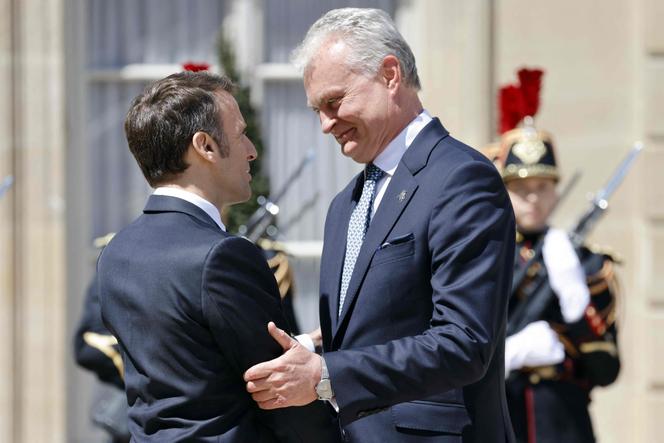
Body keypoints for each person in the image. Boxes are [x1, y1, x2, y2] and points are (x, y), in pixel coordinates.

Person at [244, 8, 516, 442]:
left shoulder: (461, 177)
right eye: (317, 110)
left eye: (334, 102)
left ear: (390, 75)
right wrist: (309, 350)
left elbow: (464, 342)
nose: (325, 125)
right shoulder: (344, 205)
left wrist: (324, 373)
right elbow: (374, 329)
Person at [97, 71, 339, 442]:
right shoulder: (222, 255)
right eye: (241, 133)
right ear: (205, 146)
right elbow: (277, 391)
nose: (251, 150)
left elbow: (193, 362)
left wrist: (303, 345)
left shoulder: (118, 251)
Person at [495, 122, 620, 443]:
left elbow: (606, 369)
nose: (533, 198)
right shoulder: (485, 259)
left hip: (564, 421)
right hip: (500, 416)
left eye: (543, 186)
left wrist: (576, 309)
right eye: (521, 189)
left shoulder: (587, 263)